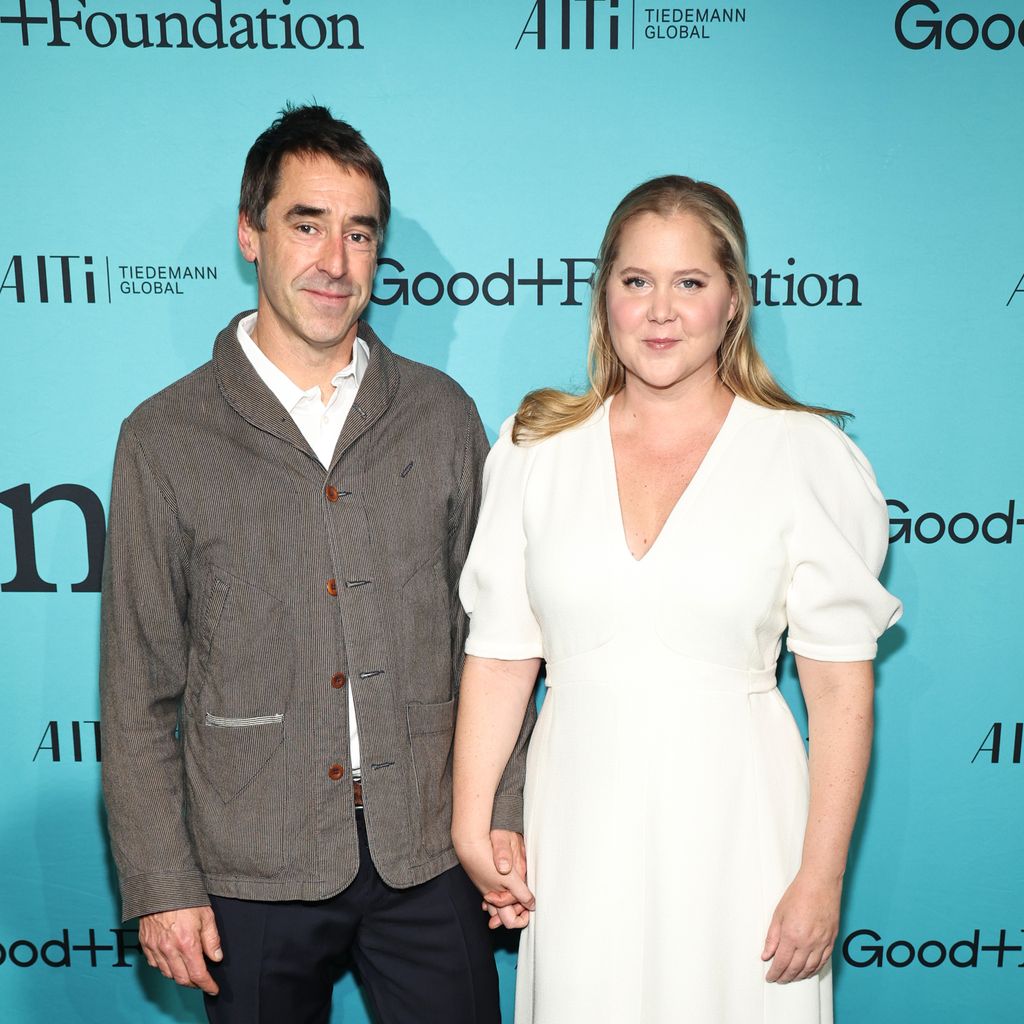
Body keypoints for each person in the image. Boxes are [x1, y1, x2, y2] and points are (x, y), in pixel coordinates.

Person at [100, 103, 533, 1024]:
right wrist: (159, 881)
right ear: (250, 234)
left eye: (359, 232)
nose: (336, 261)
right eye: (307, 224)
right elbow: (136, 687)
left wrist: (505, 815)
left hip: (429, 851)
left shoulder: (441, 414)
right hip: (251, 863)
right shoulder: (163, 437)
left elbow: (495, 645)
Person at [451, 175, 902, 1023]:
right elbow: (504, 651)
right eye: (636, 282)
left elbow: (840, 688)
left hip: (742, 824)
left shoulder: (805, 456)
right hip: (579, 818)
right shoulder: (534, 449)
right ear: (604, 299)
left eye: (689, 283)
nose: (661, 311)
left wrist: (820, 877)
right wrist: (472, 825)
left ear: (733, 301)